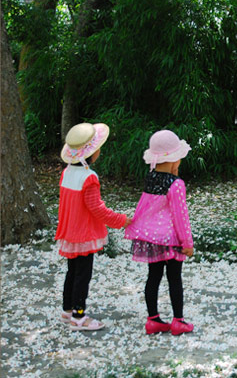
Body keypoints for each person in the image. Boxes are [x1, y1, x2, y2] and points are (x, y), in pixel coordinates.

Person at [55, 123, 131, 331]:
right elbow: (97, 209)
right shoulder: (89, 177)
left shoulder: (67, 172)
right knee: (83, 274)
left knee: (72, 271)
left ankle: (67, 310)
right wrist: (120, 220)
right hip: (84, 234)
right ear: (92, 153)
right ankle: (79, 316)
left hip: (70, 231)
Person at [125, 130, 194, 336]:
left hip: (151, 238)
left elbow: (144, 206)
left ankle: (153, 319)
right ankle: (178, 321)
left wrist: (138, 228)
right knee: (175, 278)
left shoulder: (151, 178)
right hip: (171, 239)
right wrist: (187, 242)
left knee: (153, 277)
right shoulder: (176, 184)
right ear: (174, 162)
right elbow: (181, 216)